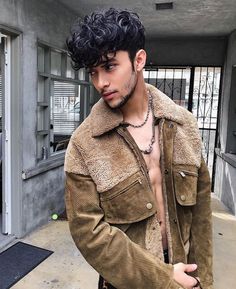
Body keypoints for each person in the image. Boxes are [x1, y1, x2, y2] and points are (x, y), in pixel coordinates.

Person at [65, 8, 213, 289]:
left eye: (109, 67)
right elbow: (89, 234)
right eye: (93, 72)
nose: (100, 83)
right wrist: (162, 277)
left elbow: (201, 217)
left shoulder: (184, 126)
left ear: (139, 60)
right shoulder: (84, 144)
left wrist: (203, 281)